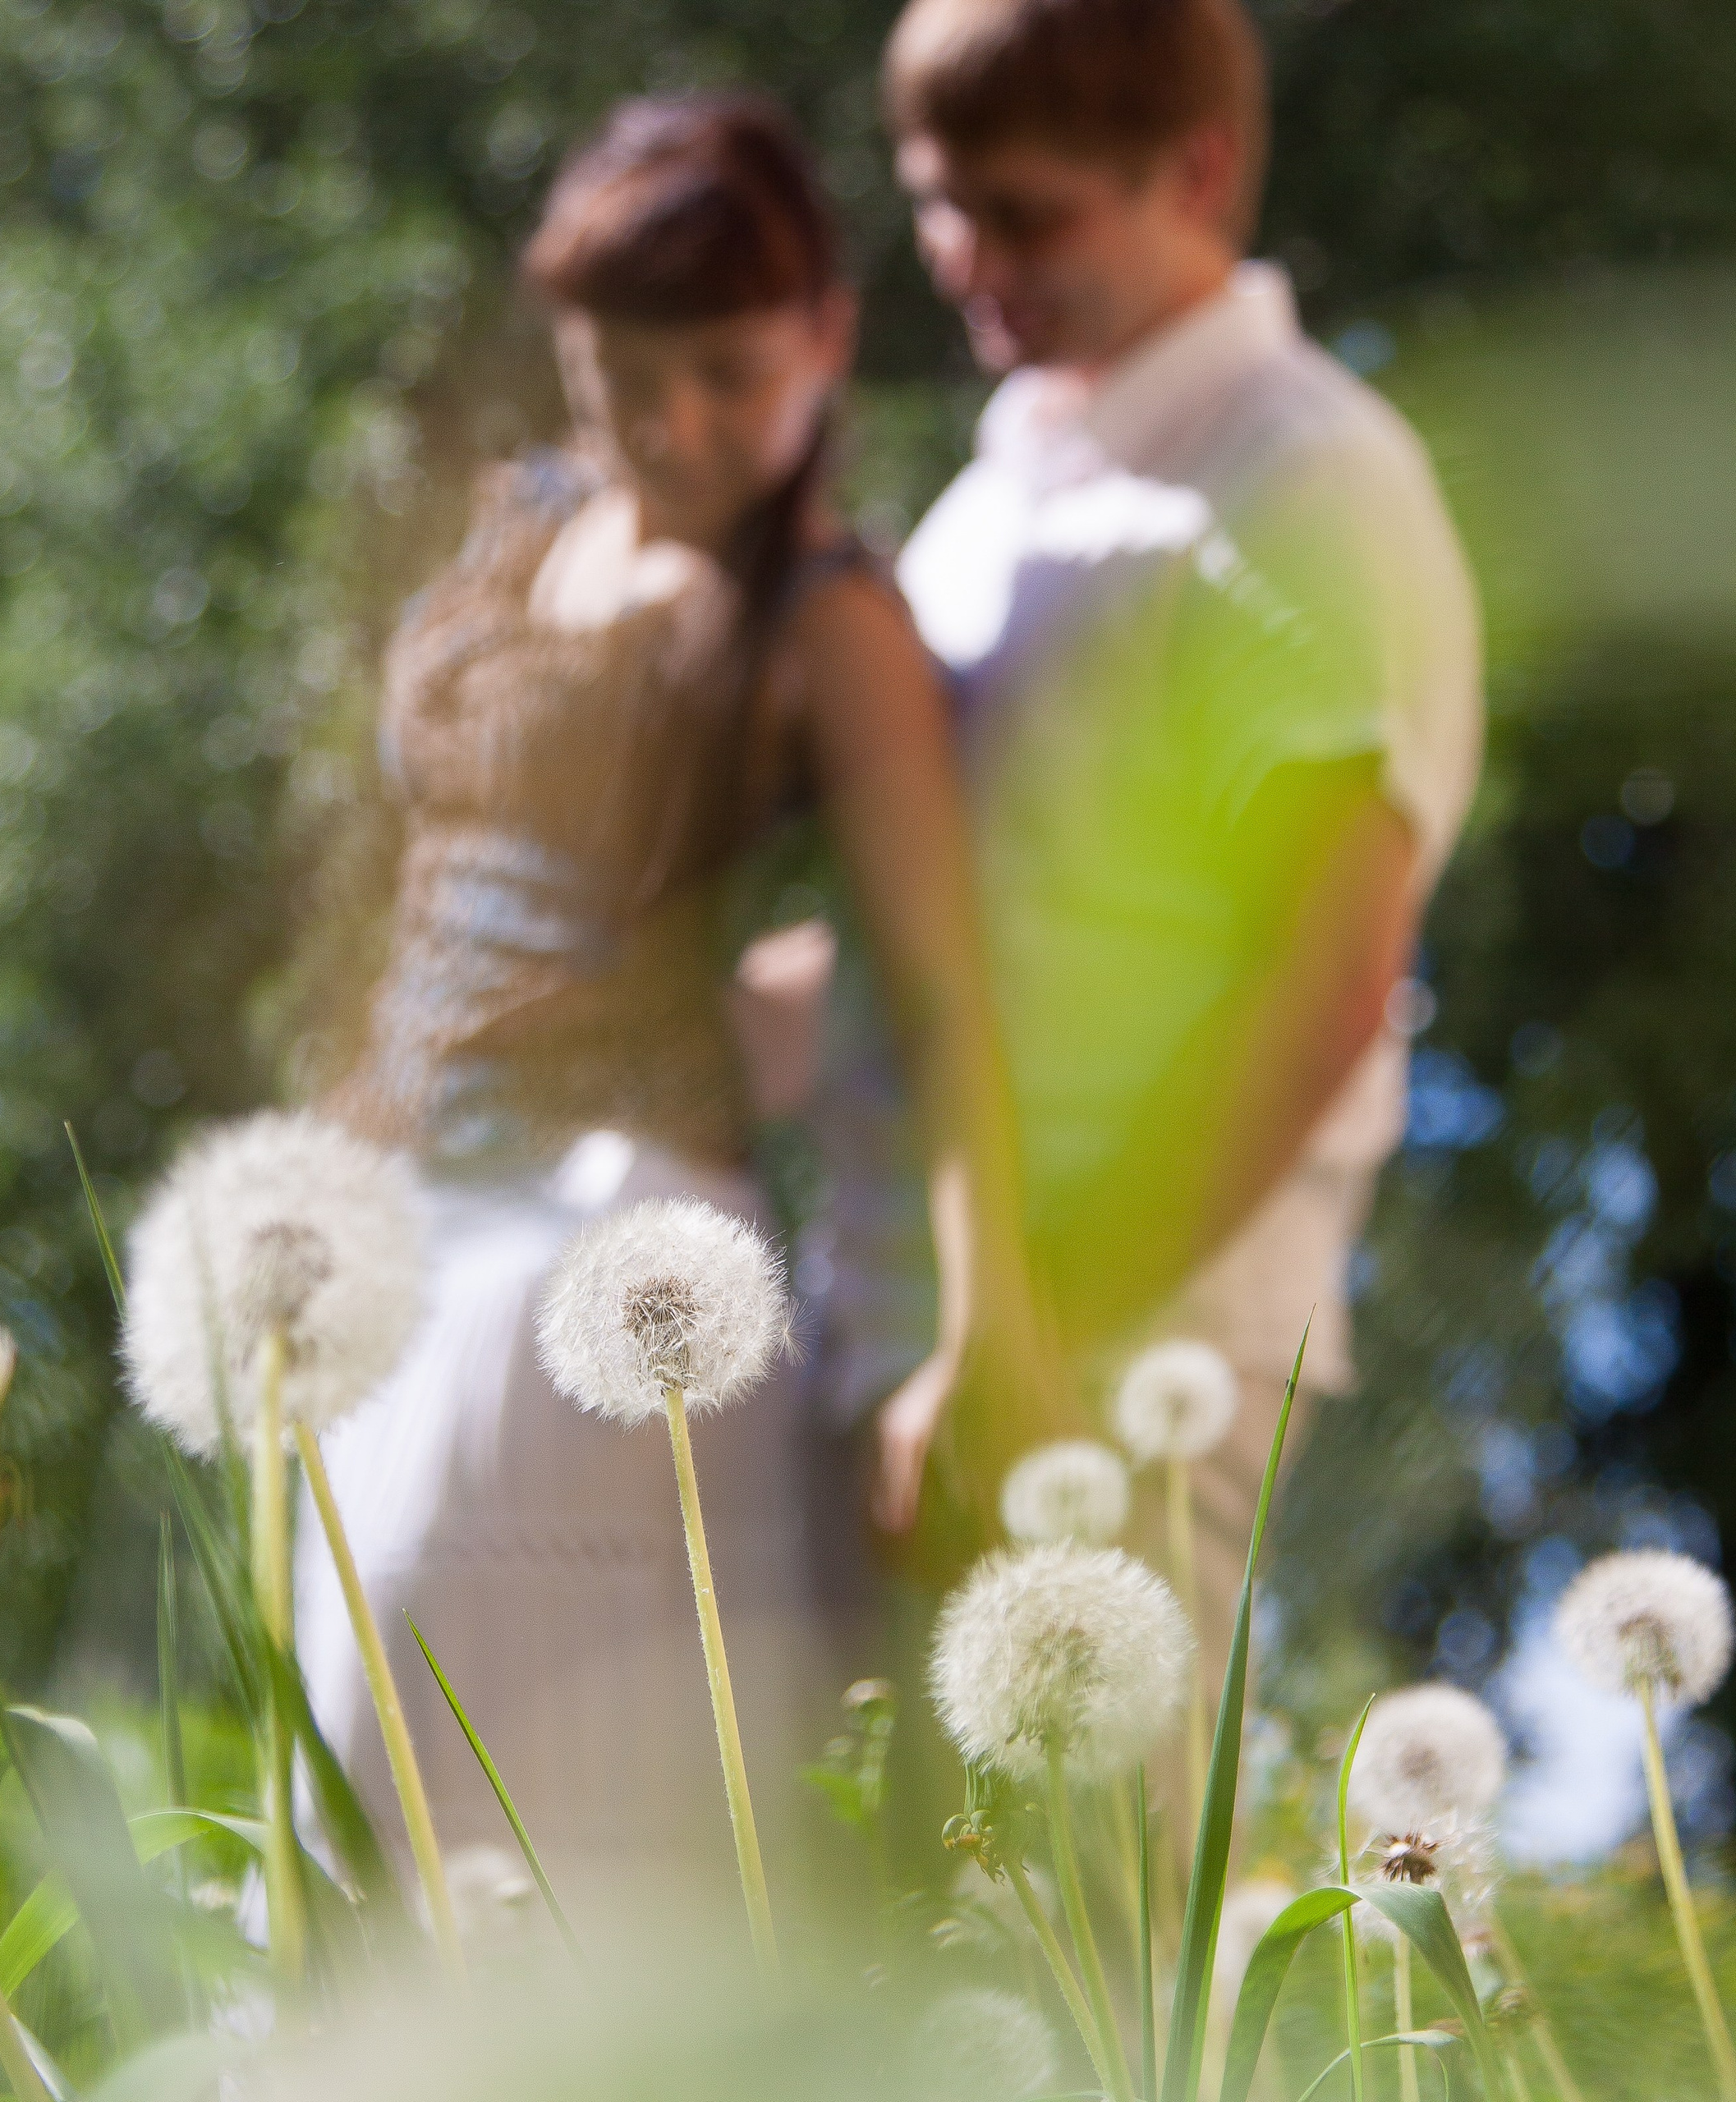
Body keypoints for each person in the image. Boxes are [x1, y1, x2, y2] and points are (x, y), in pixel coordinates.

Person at [296, 93, 1059, 1923]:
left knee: (480, 1792)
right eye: (615, 374)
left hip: (600, 1267)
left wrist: (983, 1320)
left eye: (725, 371)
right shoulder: (520, 527)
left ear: (821, 337)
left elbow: (942, 991)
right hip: (398, 1229)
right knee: (342, 1809)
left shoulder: (824, 618)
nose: (670, 426)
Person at [840, 0, 1482, 1649]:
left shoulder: (1298, 478)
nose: (963, 257)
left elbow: (1329, 969)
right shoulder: (995, 495)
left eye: (1026, 215)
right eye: (935, 201)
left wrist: (1027, 1333)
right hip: (903, 1341)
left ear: (1191, 170)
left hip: (1114, 1364)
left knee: (1073, 1907)